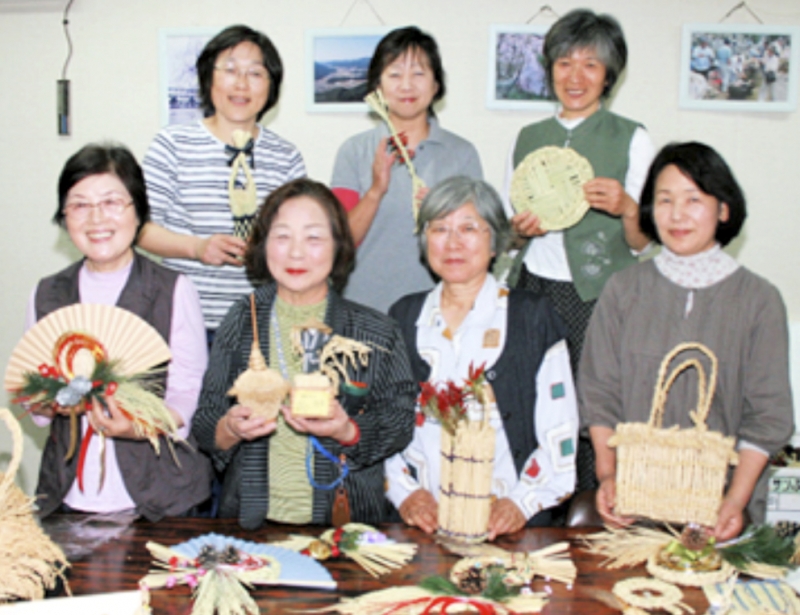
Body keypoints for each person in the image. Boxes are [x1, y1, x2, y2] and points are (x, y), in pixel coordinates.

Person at [580, 142, 793, 540]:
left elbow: (768, 418)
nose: (677, 214)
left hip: (721, 513)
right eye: (665, 200)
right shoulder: (623, 289)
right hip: (633, 508)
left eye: (693, 199)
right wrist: (608, 476)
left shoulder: (759, 299)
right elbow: (598, 393)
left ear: (723, 209)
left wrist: (734, 501)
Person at [192, 178, 416, 529]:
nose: (296, 253)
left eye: (313, 238)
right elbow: (206, 422)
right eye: (282, 237)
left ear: (338, 246)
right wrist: (230, 428)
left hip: (345, 526)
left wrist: (348, 431)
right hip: (251, 524)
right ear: (264, 245)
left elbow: (401, 422)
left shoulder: (376, 332)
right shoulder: (243, 319)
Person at [503, 9, 655, 493]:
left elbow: (643, 241)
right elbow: (512, 237)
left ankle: (591, 507)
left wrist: (627, 207)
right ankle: (531, 506)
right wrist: (519, 232)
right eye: (565, 62)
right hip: (532, 288)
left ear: (609, 74)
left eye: (591, 64)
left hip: (599, 296)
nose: (576, 76)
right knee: (528, 401)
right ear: (550, 68)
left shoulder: (631, 137)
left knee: (593, 409)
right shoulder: (529, 138)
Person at [386, 176, 578, 539]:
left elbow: (560, 432)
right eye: (439, 229)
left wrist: (520, 503)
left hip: (508, 528)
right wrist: (406, 493)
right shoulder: (403, 316)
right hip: (422, 526)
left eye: (469, 228)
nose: (453, 242)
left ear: (495, 242)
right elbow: (382, 424)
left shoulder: (533, 316)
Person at [28, 144, 211, 520]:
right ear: (64, 217)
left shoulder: (174, 289)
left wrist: (138, 426)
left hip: (162, 496)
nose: (96, 218)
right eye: (79, 205)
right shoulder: (47, 293)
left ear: (138, 211)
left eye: (112, 202)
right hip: (67, 492)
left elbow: (187, 394)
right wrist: (49, 402)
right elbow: (36, 403)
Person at [141, 25, 306, 341]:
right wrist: (198, 247)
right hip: (185, 322)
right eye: (230, 70)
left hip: (263, 322)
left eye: (255, 73)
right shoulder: (172, 144)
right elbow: (140, 230)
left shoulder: (286, 156)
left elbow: (299, 239)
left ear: (271, 86)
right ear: (208, 78)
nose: (241, 84)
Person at [331, 26, 483, 313]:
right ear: (377, 85)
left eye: (419, 73)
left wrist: (441, 215)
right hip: (363, 307)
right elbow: (339, 243)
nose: (407, 85)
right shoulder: (354, 151)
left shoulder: (462, 154)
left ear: (436, 85)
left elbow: (480, 241)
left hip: (442, 309)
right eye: (395, 74)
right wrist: (376, 190)